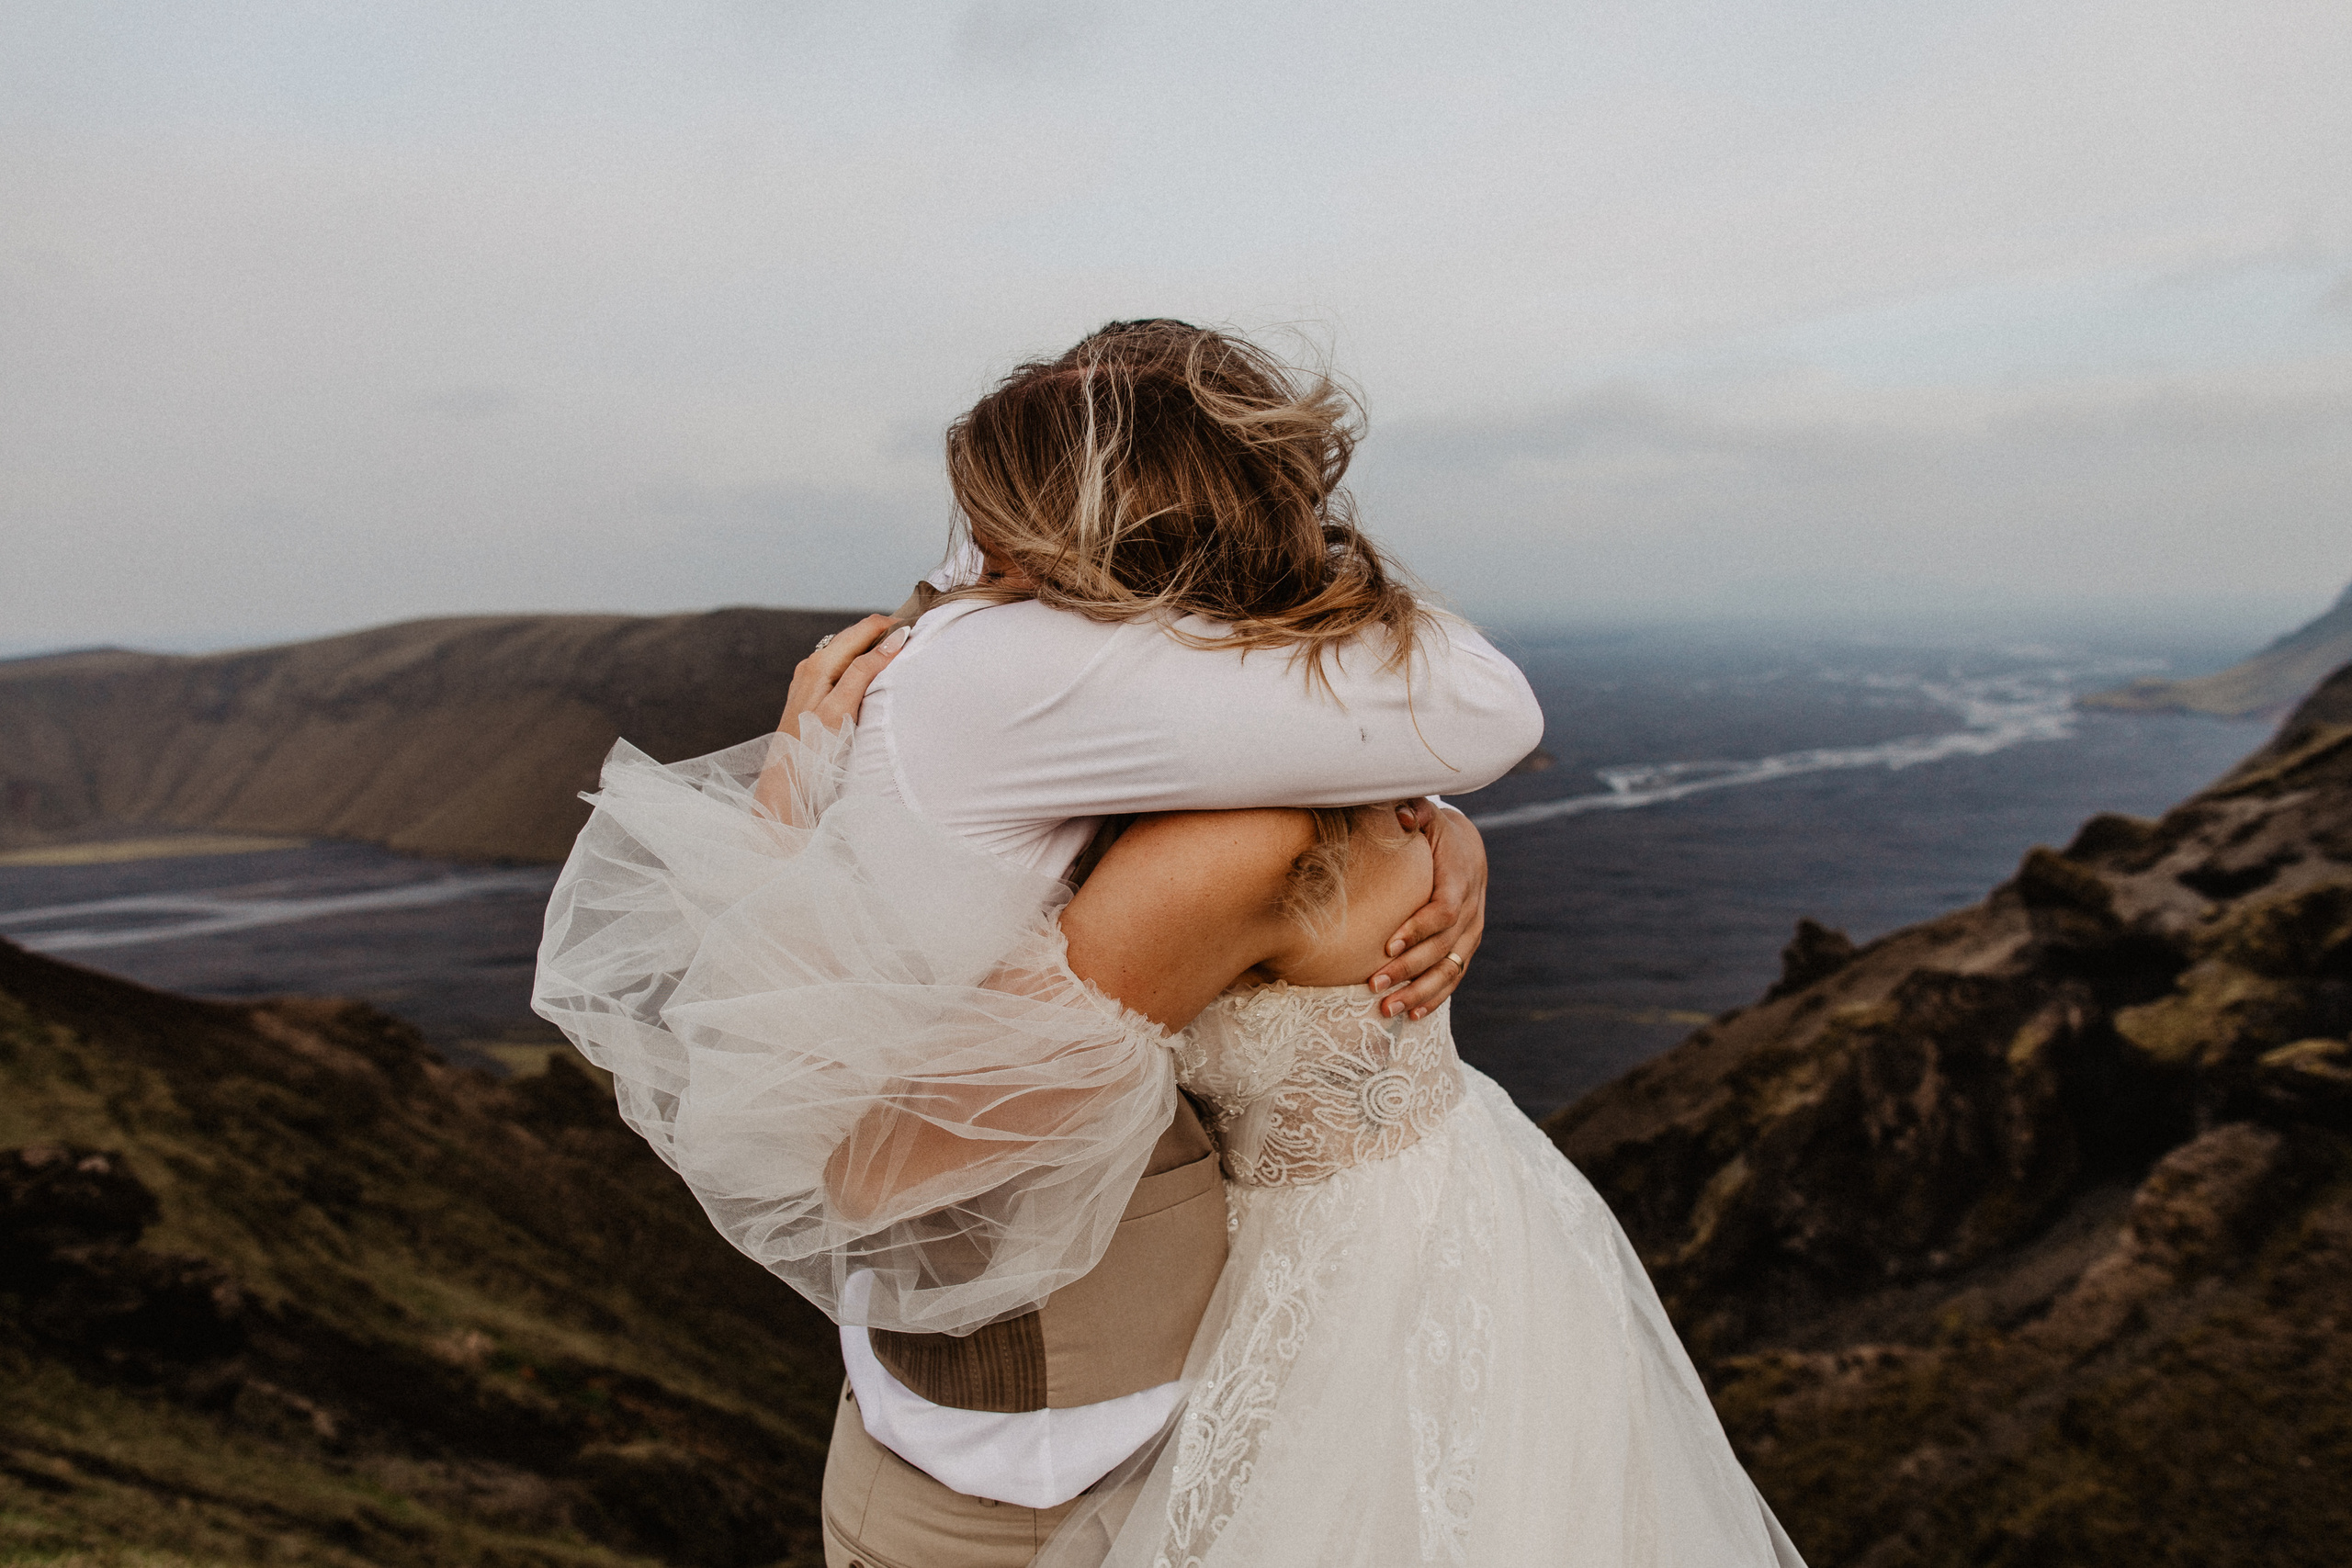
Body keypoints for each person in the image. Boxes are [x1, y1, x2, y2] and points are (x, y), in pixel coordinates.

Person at [534, 321, 1800, 1565]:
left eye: (1000, 519)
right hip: (1465, 1239)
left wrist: (787, 849)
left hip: (1320, 1317)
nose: (973, 561)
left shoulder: (1206, 827)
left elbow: (890, 1161)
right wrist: (1449, 835)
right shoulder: (1294, 738)